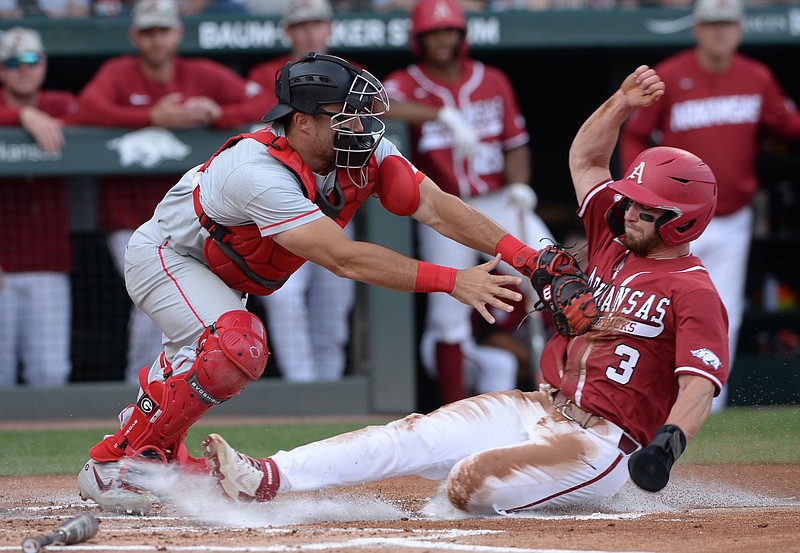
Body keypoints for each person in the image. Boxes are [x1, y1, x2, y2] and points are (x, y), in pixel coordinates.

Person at [200, 64, 730, 515]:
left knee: (467, 483)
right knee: (410, 435)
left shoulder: (695, 291)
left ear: (682, 222)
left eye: (648, 208)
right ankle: (265, 477)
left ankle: (432, 528)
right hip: (541, 403)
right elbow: (588, 161)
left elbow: (700, 386)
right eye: (632, 198)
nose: (630, 209)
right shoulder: (613, 239)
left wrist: (668, 444)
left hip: (598, 446)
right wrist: (621, 102)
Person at [74, 51, 574, 515]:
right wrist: (452, 279)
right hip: (170, 257)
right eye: (343, 115)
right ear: (303, 121)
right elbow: (344, 258)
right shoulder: (257, 171)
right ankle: (112, 465)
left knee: (213, 357)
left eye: (358, 114)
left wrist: (526, 257)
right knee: (235, 348)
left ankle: (155, 445)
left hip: (222, 271)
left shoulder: (363, 151)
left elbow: (436, 206)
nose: (358, 126)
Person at [71, 0, 267, 384]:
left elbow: (262, 100)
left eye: (163, 31)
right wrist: (151, 118)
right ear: (134, 36)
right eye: (148, 32)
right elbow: (86, 109)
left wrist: (217, 114)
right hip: (132, 216)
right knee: (151, 305)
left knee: (182, 308)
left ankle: (171, 386)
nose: (156, 40)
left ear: (177, 33)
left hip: (194, 219)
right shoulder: (119, 72)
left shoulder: (201, 74)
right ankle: (140, 387)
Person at [619, 0, 800, 412]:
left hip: (732, 216)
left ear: (740, 30)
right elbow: (636, 133)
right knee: (659, 309)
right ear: (697, 28)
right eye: (713, 24)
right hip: (673, 221)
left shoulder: (756, 77)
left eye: (729, 25)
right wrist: (635, 183)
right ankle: (648, 399)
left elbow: (788, 125)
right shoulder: (670, 73)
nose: (721, 33)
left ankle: (707, 407)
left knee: (723, 312)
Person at [382, 0, 553, 405]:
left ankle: (562, 393)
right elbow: (376, 105)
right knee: (447, 314)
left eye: (449, 32)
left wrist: (520, 186)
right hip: (441, 207)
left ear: (462, 35)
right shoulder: (405, 82)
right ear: (418, 39)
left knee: (551, 274)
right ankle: (452, 410)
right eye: (433, 33)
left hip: (499, 199)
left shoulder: (491, 79)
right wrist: (438, 115)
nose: (443, 40)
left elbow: (516, 144)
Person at [246, 0, 358, 383]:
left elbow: (379, 111)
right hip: (284, 199)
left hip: (333, 201)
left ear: (328, 28)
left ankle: (328, 387)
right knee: (286, 299)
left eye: (316, 24)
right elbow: (241, 117)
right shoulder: (268, 74)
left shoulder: (350, 74)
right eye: (301, 25)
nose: (309, 32)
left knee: (334, 303)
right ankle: (302, 387)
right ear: (288, 31)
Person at [0, 27, 78, 388]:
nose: (23, 68)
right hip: (3, 263)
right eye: (12, 62)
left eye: (31, 60)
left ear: (44, 63)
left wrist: (30, 114)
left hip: (47, 262)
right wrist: (21, 117)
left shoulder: (59, 104)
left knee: (50, 373)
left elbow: (96, 111)